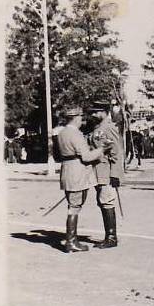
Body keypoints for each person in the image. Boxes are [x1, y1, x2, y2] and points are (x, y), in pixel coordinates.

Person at [54, 107, 104, 253]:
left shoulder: (62, 133)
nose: (82, 120)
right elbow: (86, 156)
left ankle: (72, 240)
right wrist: (101, 149)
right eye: (81, 117)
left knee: (73, 206)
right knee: (74, 207)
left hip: (67, 171)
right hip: (77, 173)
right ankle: (70, 242)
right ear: (76, 118)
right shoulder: (75, 134)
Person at [87, 100, 124, 249]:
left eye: (96, 112)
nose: (93, 115)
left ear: (103, 111)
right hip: (98, 172)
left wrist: (115, 174)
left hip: (107, 172)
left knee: (107, 201)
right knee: (102, 201)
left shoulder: (108, 127)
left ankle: (111, 237)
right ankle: (108, 235)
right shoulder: (98, 128)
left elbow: (116, 152)